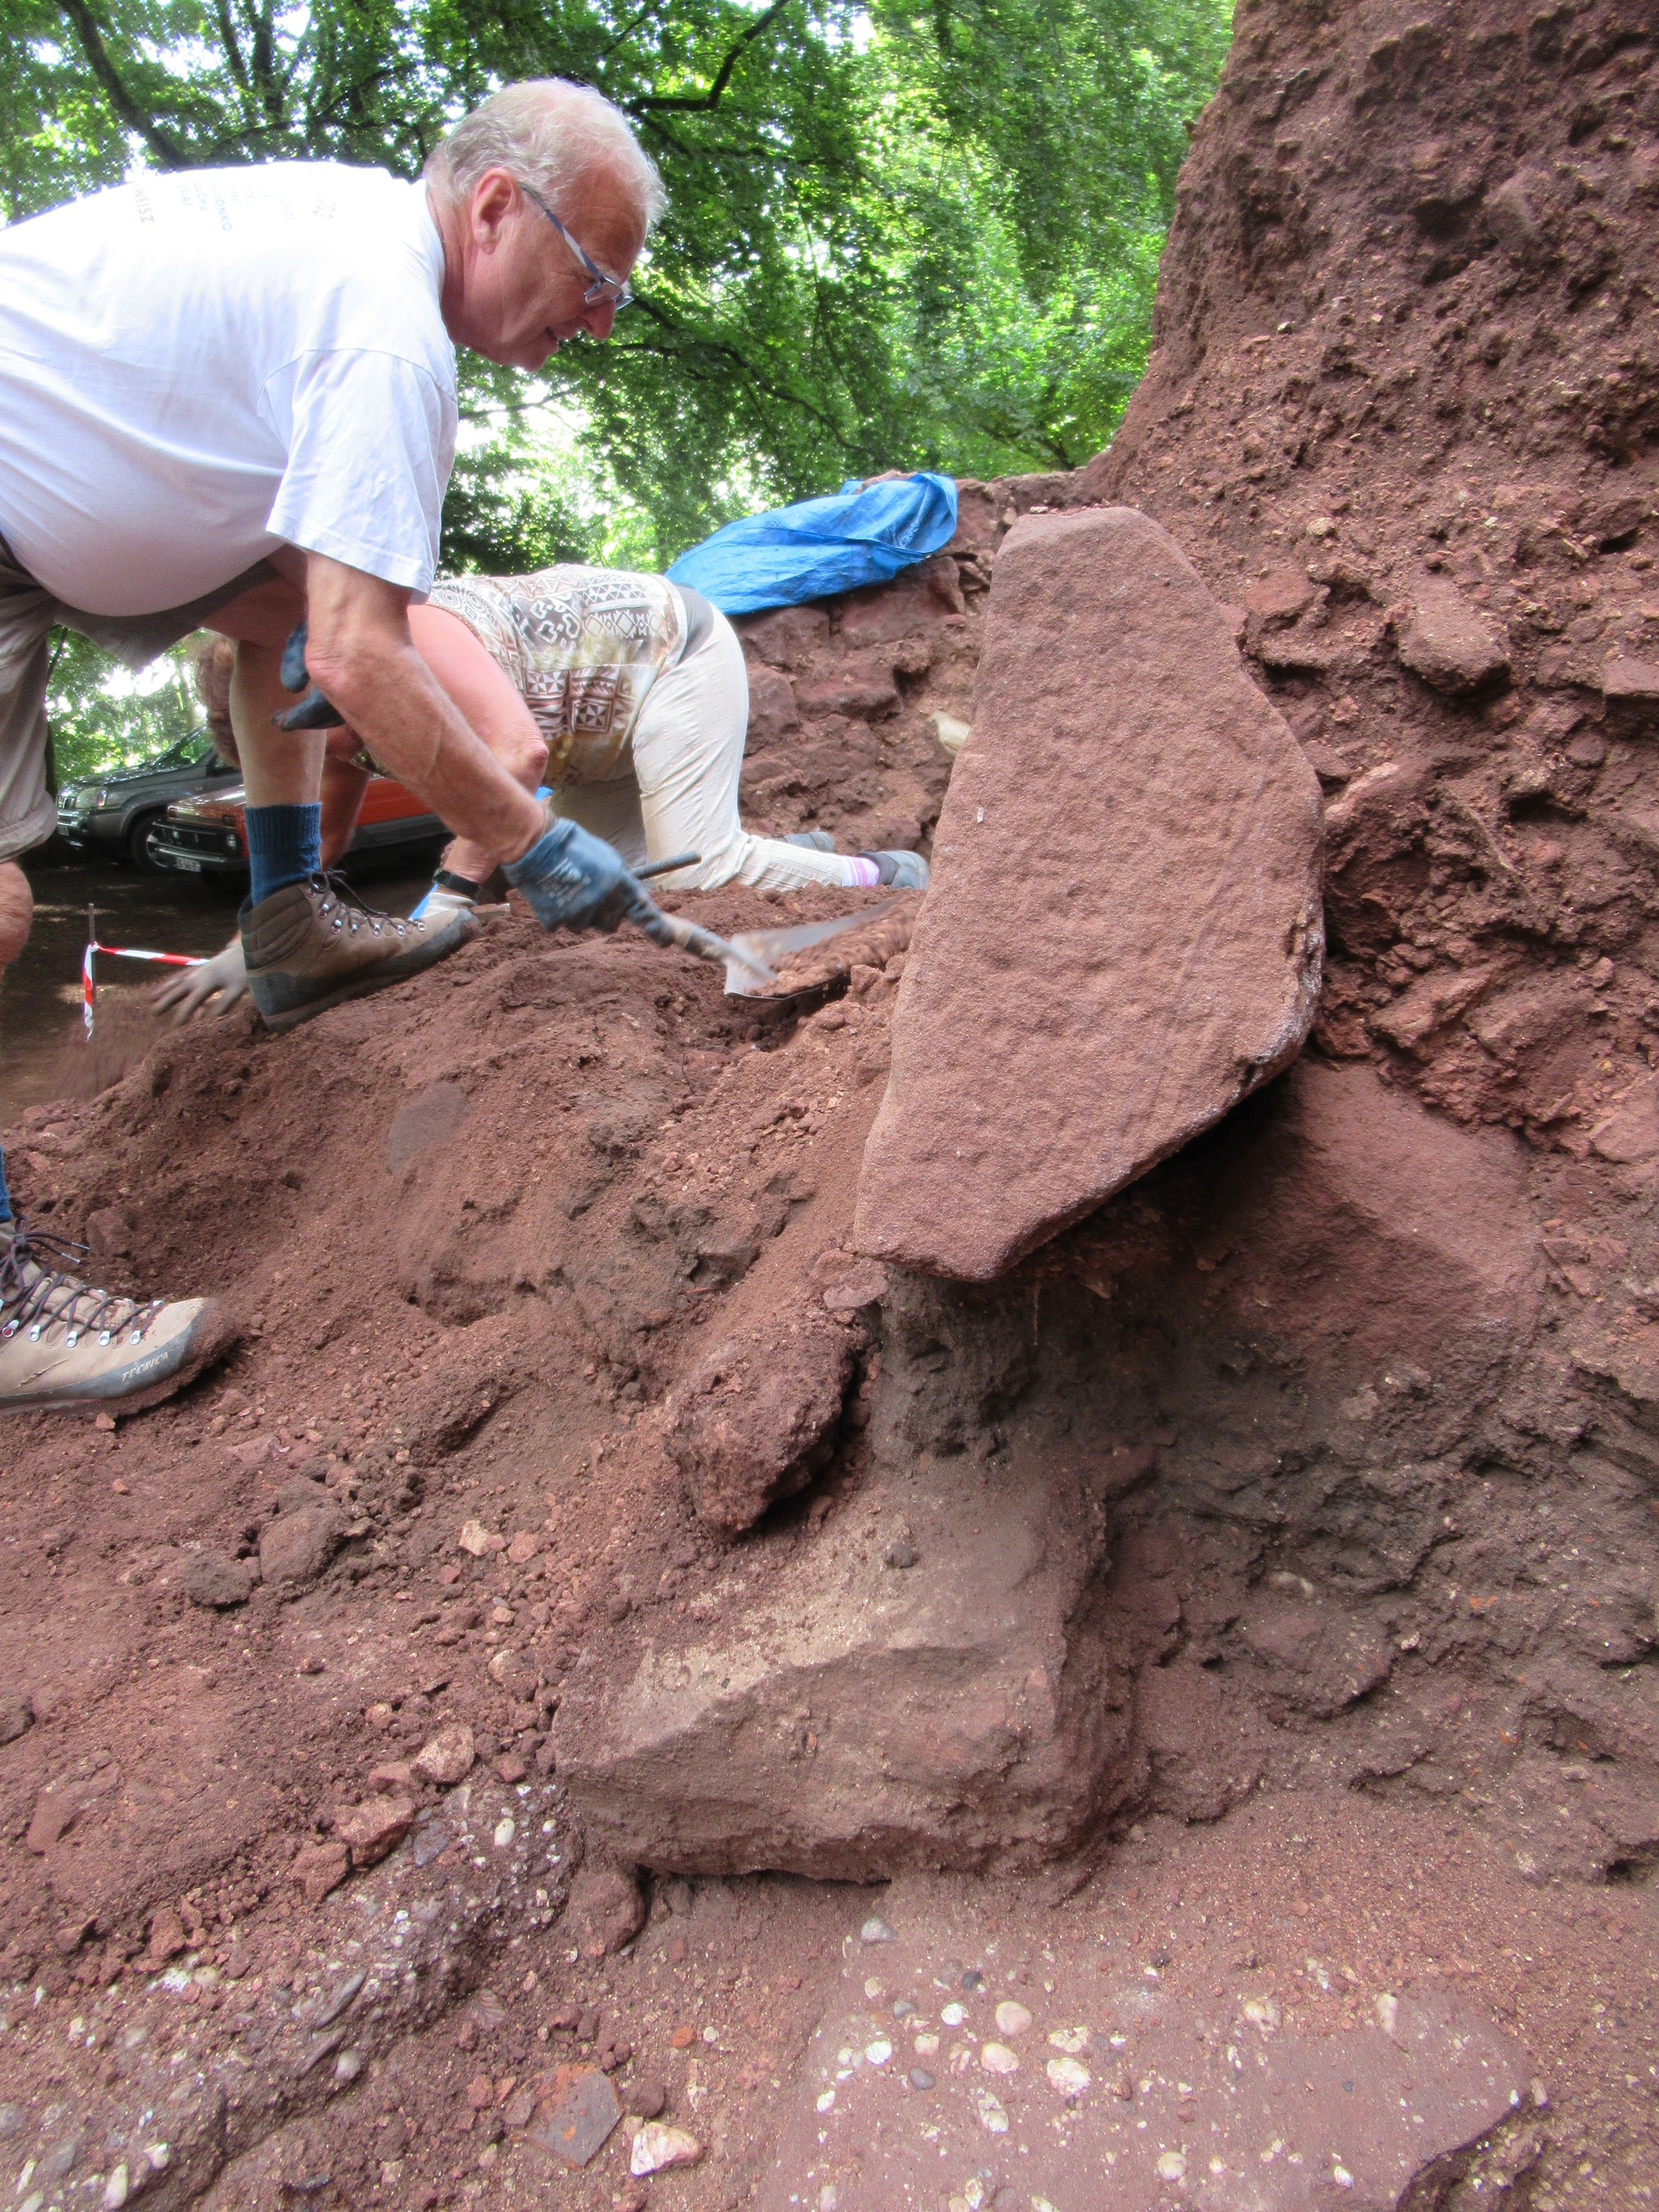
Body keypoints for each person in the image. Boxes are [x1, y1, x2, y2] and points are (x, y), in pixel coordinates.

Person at [0, 79, 676, 1414]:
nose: (599, 321)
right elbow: (365, 658)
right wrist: (540, 849)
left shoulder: (354, 260)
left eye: (619, 297)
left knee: (288, 597)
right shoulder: (387, 331)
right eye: (594, 278)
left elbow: (316, 625)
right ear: (496, 208)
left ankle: (288, 922)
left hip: (33, 527)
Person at [155, 568, 929, 1020]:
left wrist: (451, 896)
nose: (324, 759)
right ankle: (792, 857)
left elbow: (514, 757)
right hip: (596, 745)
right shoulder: (335, 729)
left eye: (304, 748)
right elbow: (315, 846)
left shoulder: (401, 636)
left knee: (699, 872)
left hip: (673, 657)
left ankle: (884, 873)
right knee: (619, 885)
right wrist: (248, 948)